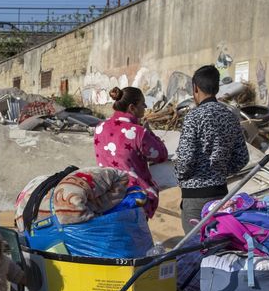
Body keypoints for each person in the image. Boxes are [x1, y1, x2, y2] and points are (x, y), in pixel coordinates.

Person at [175, 65, 249, 233]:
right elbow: (242, 157)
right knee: (219, 245)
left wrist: (181, 176)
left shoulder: (193, 117)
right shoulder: (230, 116)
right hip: (221, 194)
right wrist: (220, 171)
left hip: (195, 196)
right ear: (216, 88)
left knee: (194, 249)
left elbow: (185, 159)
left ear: (195, 88)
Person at [94, 86, 168, 218]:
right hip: (134, 198)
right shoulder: (138, 132)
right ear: (132, 108)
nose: (145, 107)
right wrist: (150, 133)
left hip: (107, 197)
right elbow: (161, 155)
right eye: (142, 104)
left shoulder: (100, 127)